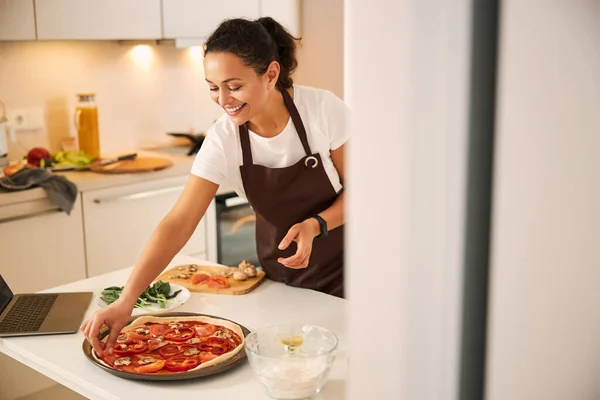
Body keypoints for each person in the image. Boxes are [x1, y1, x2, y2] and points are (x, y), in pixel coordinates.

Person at [80, 17, 350, 357]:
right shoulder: (224, 138)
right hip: (286, 281)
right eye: (212, 87)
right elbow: (179, 222)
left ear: (270, 75)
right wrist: (126, 300)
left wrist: (317, 224)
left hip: (354, 271)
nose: (223, 99)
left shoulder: (323, 111)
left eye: (234, 86)